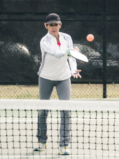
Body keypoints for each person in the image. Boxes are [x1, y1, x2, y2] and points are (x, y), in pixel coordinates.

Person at [34, 13, 81, 155]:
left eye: (56, 24)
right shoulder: (44, 41)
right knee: (43, 111)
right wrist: (69, 51)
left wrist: (73, 70)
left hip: (64, 77)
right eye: (51, 25)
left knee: (65, 111)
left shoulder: (67, 38)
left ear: (60, 25)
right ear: (46, 26)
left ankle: (64, 145)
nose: (54, 27)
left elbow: (71, 57)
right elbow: (56, 53)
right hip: (46, 77)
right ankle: (41, 141)